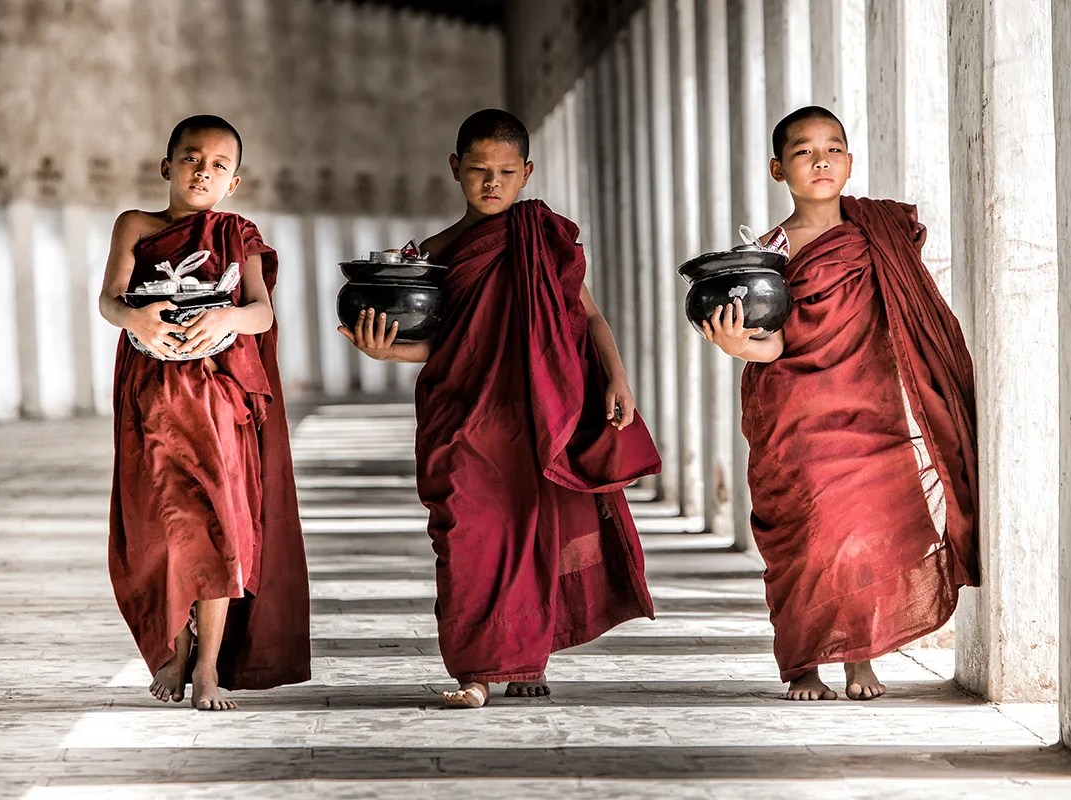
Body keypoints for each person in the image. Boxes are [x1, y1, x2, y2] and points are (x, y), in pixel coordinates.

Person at [340, 108, 661, 709]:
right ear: (455, 169)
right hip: (460, 418)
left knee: (530, 532)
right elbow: (441, 342)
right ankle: (475, 670)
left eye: (507, 172)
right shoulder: (429, 255)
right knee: (465, 535)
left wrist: (618, 378)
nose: (493, 183)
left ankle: (522, 659)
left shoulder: (538, 239)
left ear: (527, 172)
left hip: (533, 415)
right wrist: (383, 349)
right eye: (480, 170)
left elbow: (587, 315)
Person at [702, 106, 978, 701]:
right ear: (779, 169)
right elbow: (772, 339)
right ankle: (804, 663)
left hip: (868, 409)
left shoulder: (877, 235)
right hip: (793, 415)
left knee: (867, 531)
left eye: (833, 148)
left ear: (850, 163)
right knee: (806, 533)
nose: (820, 159)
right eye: (803, 151)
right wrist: (735, 343)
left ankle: (859, 659)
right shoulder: (766, 252)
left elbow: (909, 314)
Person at [99, 115, 310, 711]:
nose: (203, 172)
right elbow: (110, 299)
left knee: (222, 523)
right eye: (191, 158)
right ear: (167, 166)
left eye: (219, 165)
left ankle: (211, 666)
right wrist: (134, 317)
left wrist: (226, 318)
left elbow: (260, 313)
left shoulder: (237, 234)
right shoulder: (135, 226)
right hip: (154, 395)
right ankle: (175, 647)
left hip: (218, 398)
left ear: (234, 182)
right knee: (163, 526)